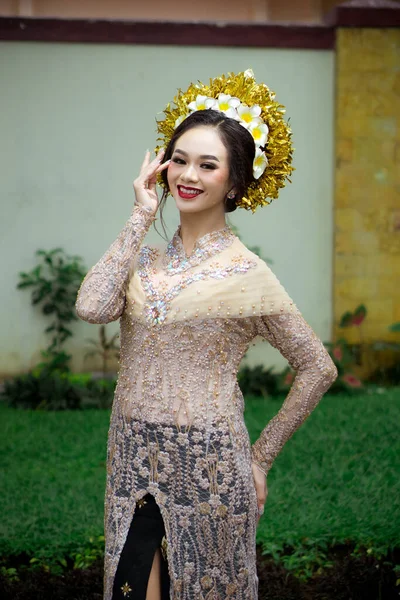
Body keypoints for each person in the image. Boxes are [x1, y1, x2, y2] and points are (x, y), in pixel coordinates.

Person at [75, 70, 338, 600]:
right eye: (180, 159)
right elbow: (91, 305)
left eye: (207, 164)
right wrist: (139, 215)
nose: (187, 175)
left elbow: (318, 367)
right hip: (130, 457)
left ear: (235, 183)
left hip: (210, 464)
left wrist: (260, 459)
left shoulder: (248, 274)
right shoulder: (142, 260)